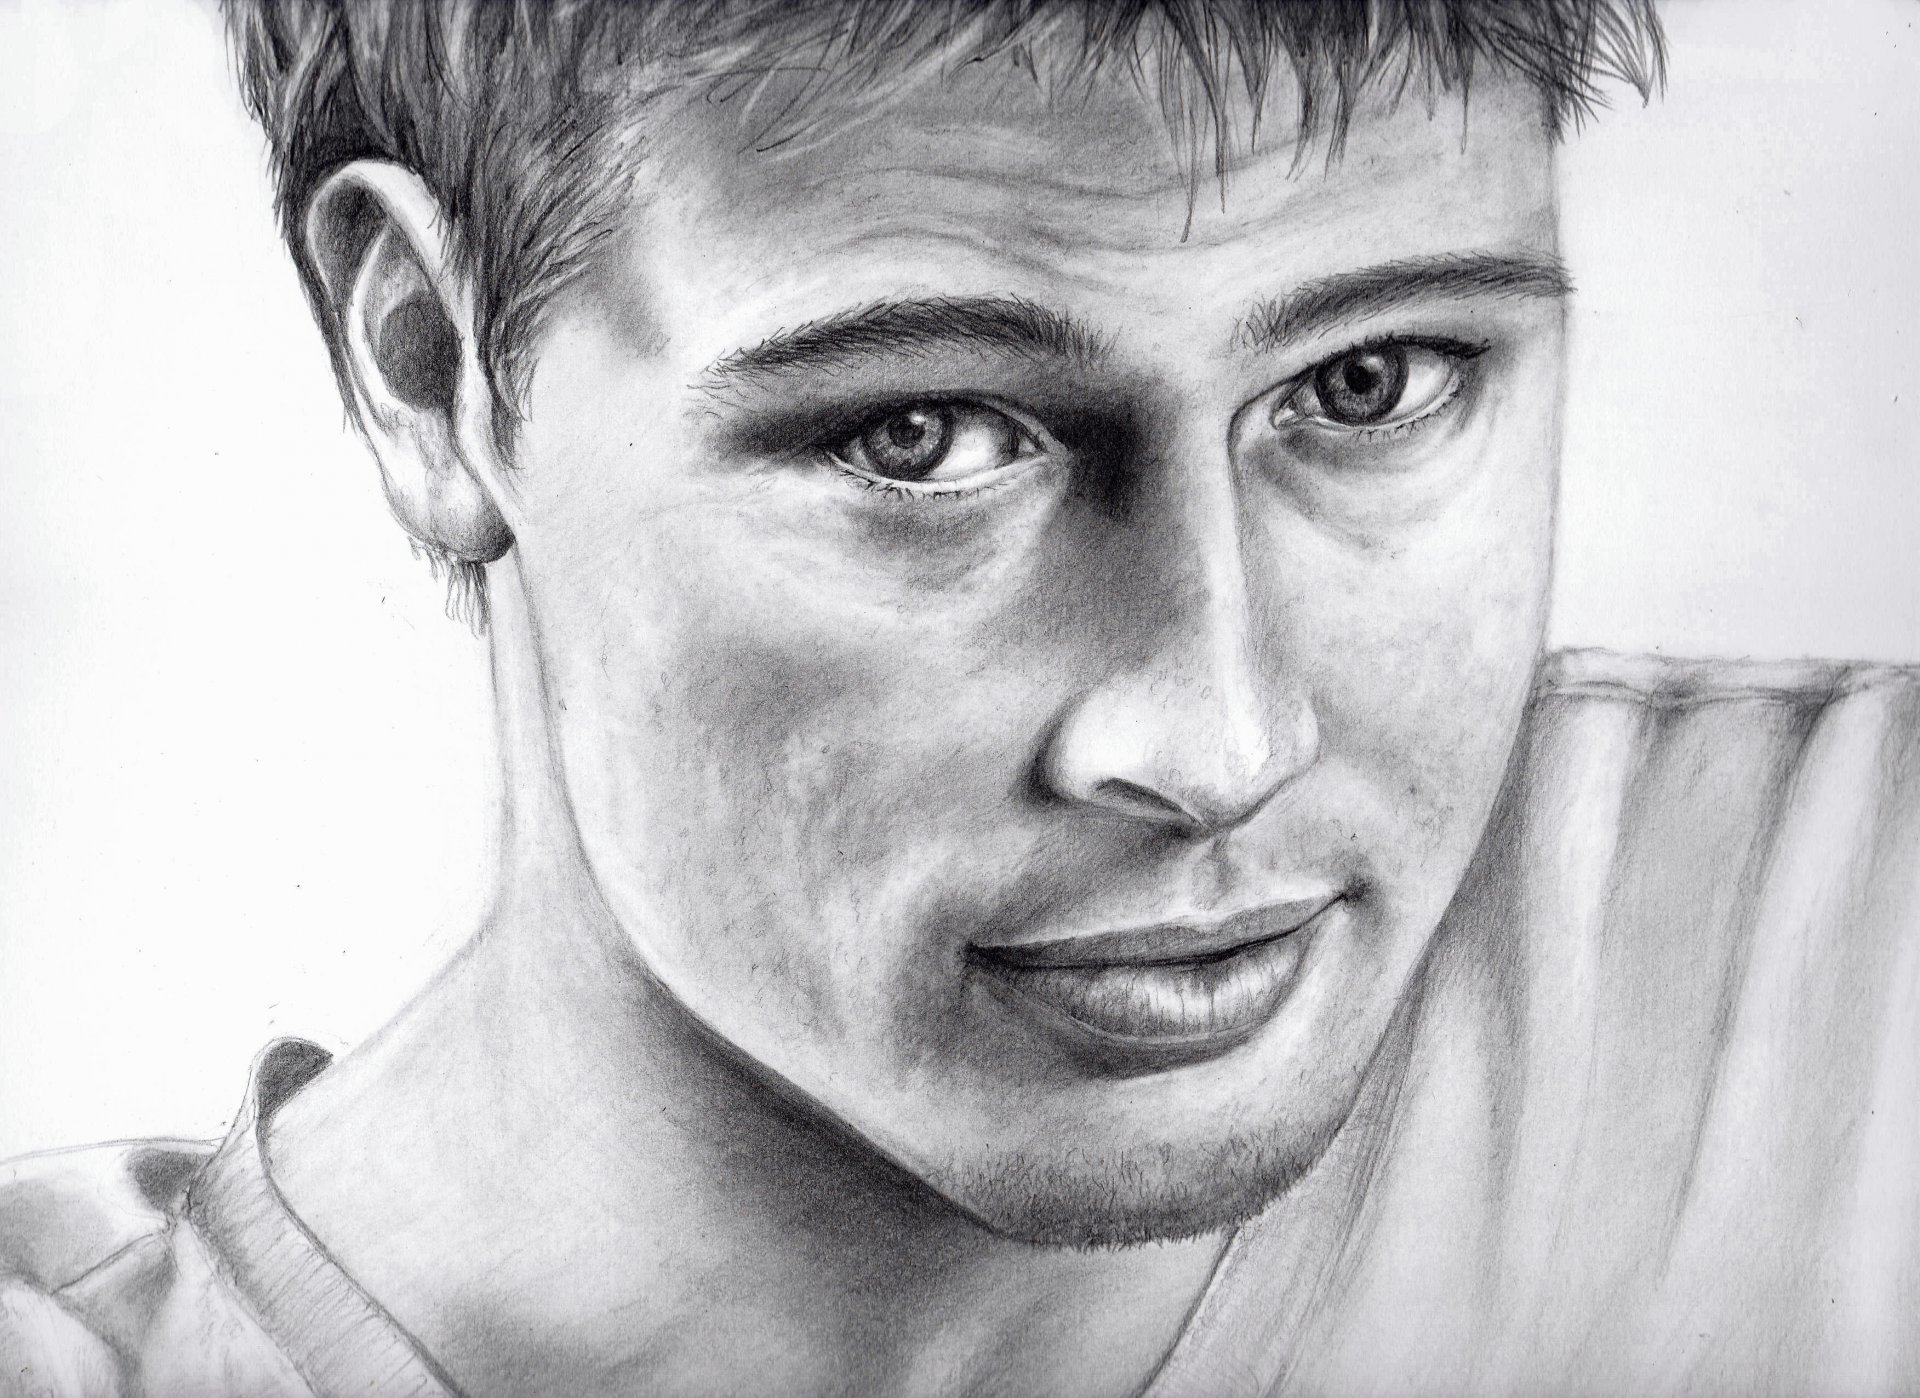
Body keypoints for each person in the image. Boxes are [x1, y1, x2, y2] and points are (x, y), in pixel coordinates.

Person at [2, 2, 1914, 1394]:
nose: (1220, 743)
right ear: (428, 366)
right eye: (921, 436)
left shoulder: (1860, 943)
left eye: (1371, 384)